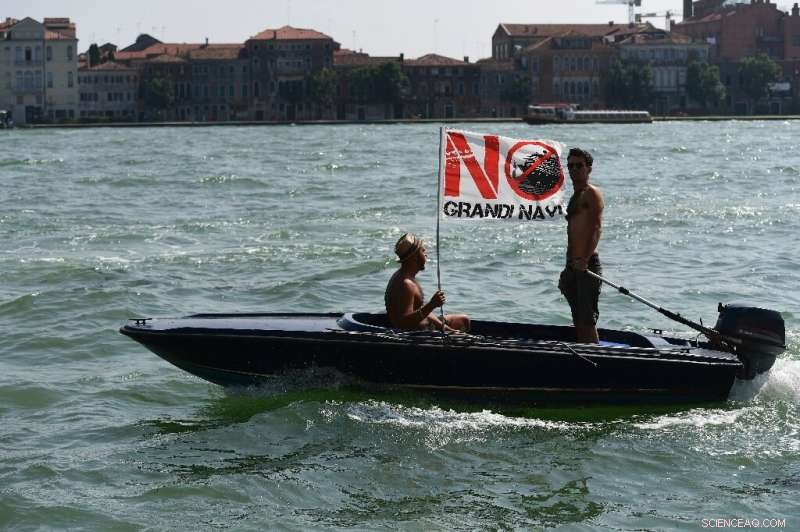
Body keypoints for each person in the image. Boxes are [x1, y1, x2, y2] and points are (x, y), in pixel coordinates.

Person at [559, 147, 604, 344]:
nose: (574, 169)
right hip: (573, 265)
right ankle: (584, 350)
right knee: (577, 319)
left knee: (587, 320)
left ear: (589, 169)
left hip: (587, 264)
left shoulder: (592, 193)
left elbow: (596, 228)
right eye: (570, 166)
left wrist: (584, 259)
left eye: (579, 165)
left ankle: (594, 354)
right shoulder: (575, 196)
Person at [385, 233, 470, 332]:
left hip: (426, 325)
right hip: (416, 336)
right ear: (414, 257)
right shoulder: (406, 284)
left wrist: (445, 328)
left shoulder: (407, 277)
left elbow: (421, 310)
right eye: (423, 251)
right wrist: (431, 305)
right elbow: (404, 324)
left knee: (464, 320)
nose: (426, 254)